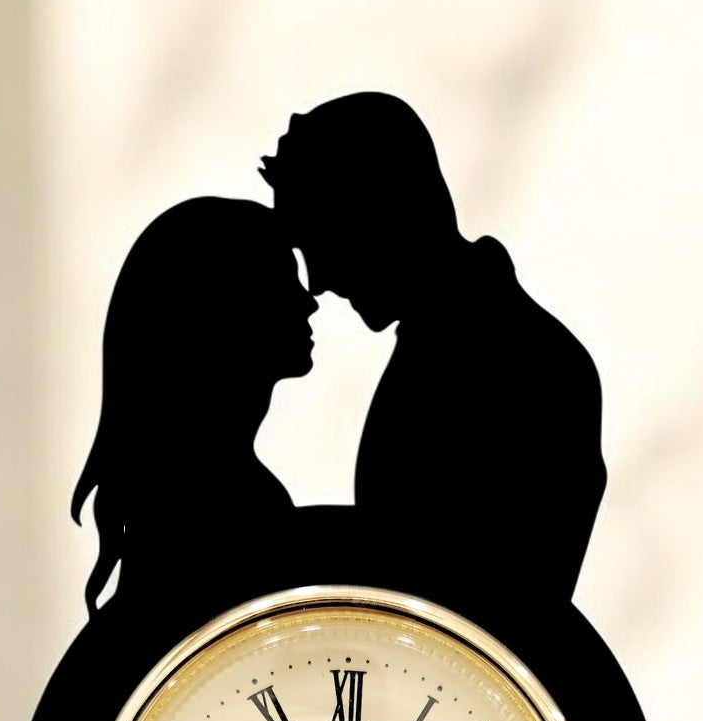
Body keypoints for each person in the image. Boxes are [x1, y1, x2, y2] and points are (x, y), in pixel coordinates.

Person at [259, 93, 606, 615]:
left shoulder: (531, 363)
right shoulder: (459, 346)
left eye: (322, 242)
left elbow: (504, 602)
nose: (320, 281)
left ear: (380, 212)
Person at [72, 197, 317, 621]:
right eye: (282, 280)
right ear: (227, 309)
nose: (308, 301)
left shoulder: (188, 490)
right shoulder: (226, 499)